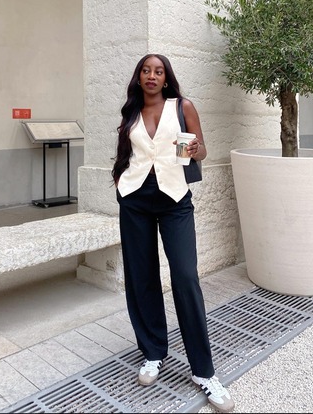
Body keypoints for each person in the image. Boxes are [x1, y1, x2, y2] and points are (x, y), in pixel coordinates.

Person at [112, 54, 235, 413]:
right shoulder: (131, 112)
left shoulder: (182, 106)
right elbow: (126, 153)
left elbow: (201, 150)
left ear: (166, 78)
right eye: (146, 70)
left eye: (158, 71)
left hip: (175, 198)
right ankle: (153, 352)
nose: (151, 76)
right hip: (135, 199)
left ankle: (204, 372)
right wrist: (120, 183)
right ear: (139, 77)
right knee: (142, 276)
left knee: (184, 276)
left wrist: (195, 149)